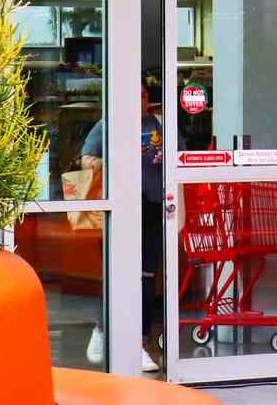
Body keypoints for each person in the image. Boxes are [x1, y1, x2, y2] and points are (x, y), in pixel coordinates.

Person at [80, 82, 165, 374]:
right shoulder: (108, 124)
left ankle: (139, 344)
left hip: (153, 207)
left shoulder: (160, 124)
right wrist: (117, 159)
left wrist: (167, 159)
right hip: (118, 209)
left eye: (142, 95)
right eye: (134, 94)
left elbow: (181, 157)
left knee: (145, 276)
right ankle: (103, 330)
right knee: (113, 272)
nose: (139, 100)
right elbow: (87, 160)